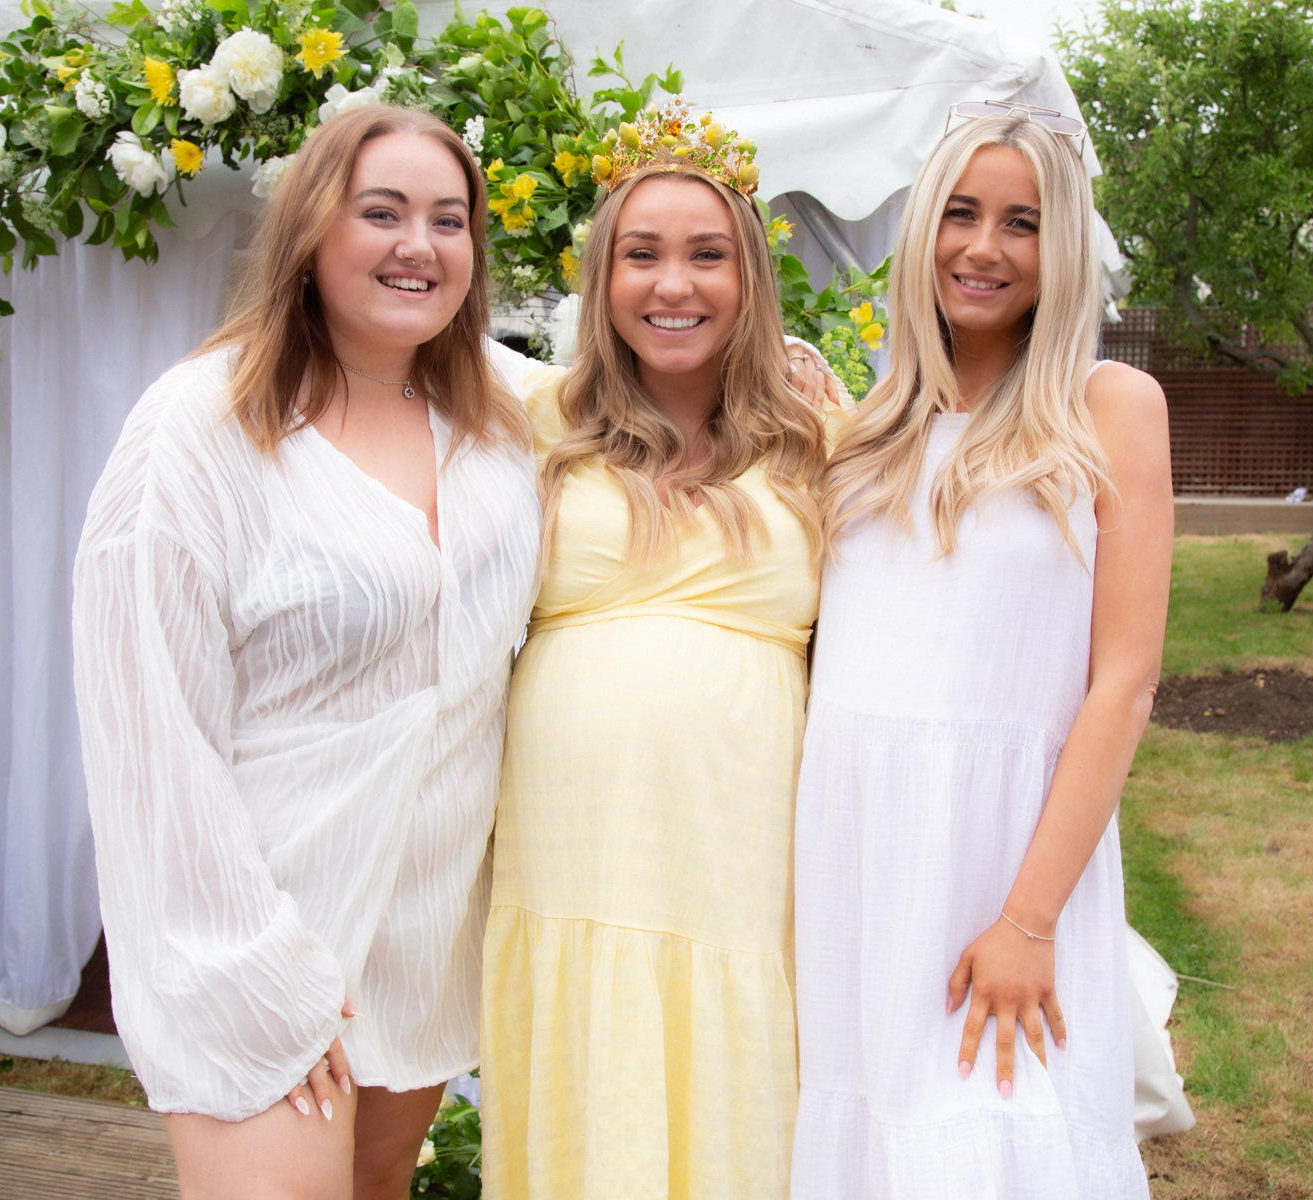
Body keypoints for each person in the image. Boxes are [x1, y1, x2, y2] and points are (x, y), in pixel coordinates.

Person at [71, 105, 539, 1200]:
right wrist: (259, 974)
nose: (419, 245)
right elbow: (151, 731)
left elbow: (654, 393)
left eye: (449, 220)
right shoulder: (202, 425)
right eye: (382, 213)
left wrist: (795, 371)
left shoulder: (503, 410)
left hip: (421, 937)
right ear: (311, 228)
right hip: (262, 920)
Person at [791, 106, 1172, 1199]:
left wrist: (1027, 920)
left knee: (999, 1140)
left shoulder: (1108, 406)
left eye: (1022, 223)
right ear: (924, 230)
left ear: (1062, 249)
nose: (983, 247)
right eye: (960, 214)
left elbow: (1124, 683)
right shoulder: (871, 426)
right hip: (855, 856)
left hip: (1003, 856)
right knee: (869, 1139)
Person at [479, 104, 841, 1200]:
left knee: (735, 1108)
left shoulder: (823, 437)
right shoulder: (531, 421)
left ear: (751, 278)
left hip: (742, 861)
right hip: (571, 854)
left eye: (706, 255)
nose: (672, 284)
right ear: (602, 278)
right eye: (641, 254)